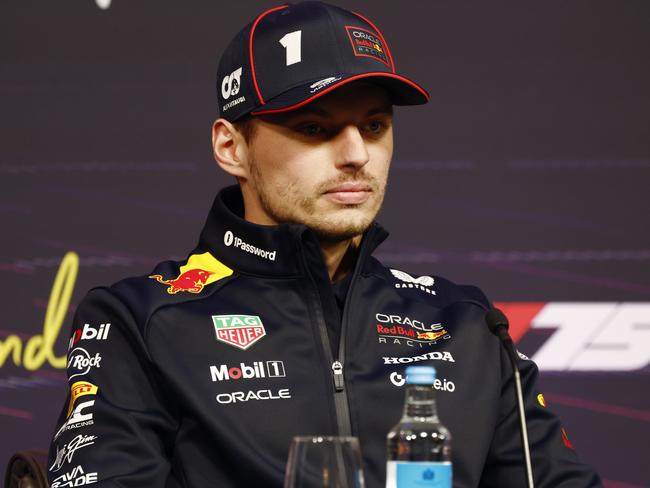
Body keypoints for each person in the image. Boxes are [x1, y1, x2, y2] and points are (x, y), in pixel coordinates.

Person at [47, 2, 603, 487]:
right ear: (231, 146)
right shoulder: (142, 319)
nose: (356, 153)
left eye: (375, 126)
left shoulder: (469, 324)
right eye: (314, 129)